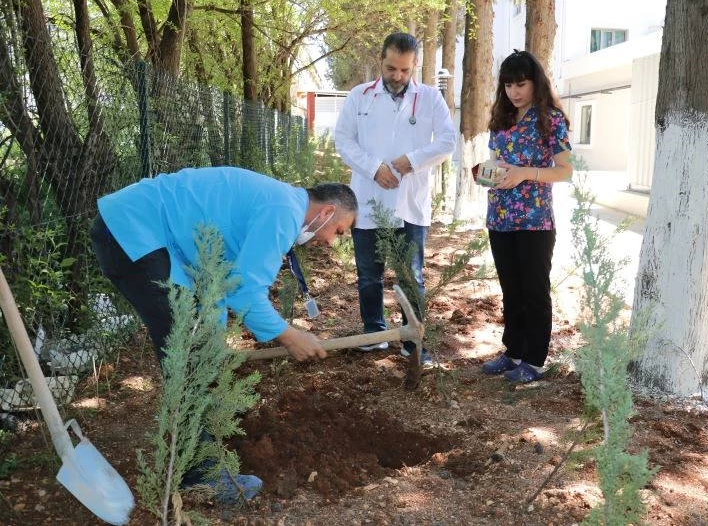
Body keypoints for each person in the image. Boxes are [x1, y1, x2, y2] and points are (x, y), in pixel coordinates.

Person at [90, 166, 357, 502]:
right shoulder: (284, 213)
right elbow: (246, 292)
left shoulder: (280, 203)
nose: (331, 241)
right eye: (339, 231)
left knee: (197, 350)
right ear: (328, 211)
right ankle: (200, 478)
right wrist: (288, 335)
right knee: (187, 358)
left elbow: (218, 277)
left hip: (151, 235)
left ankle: (195, 454)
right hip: (134, 230)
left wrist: (214, 339)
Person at [334, 32, 456, 365]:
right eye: (391, 68)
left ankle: (413, 341)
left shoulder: (430, 98)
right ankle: (374, 334)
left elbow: (447, 142)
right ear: (381, 61)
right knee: (368, 275)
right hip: (368, 198)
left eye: (404, 70)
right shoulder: (360, 96)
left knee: (410, 276)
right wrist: (374, 168)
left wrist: (409, 161)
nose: (397, 76)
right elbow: (343, 141)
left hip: (409, 203)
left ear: (415, 65)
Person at [480, 50, 573, 384]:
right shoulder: (502, 119)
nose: (514, 92)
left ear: (536, 83)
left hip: (535, 221)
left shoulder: (550, 119)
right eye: (508, 85)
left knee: (534, 291)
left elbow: (565, 171)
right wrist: (487, 173)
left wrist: (524, 173)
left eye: (520, 84)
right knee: (511, 290)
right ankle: (513, 352)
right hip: (500, 218)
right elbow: (499, 163)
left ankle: (534, 359)